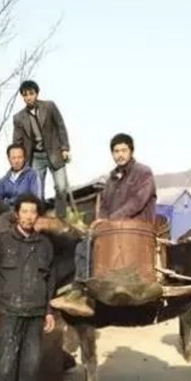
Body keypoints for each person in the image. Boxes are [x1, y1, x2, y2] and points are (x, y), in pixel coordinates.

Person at [50, 133, 157, 317]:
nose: (120, 155)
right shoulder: (112, 178)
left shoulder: (143, 173)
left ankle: (81, 290)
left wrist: (112, 219)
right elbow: (105, 205)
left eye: (123, 150)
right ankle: (80, 289)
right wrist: (101, 220)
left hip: (136, 229)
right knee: (84, 242)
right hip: (113, 230)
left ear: (131, 151)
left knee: (91, 242)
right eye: (116, 151)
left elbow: (138, 202)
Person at [0, 193, 56, 381]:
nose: (29, 216)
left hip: (35, 312)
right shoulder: (1, 241)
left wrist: (49, 310)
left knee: (30, 364)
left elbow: (50, 281)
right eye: (24, 211)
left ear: (37, 215)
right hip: (9, 311)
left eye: (33, 212)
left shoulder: (45, 245)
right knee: (6, 362)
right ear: (16, 214)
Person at [13, 80, 71, 218]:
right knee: (37, 193)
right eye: (25, 95)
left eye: (31, 94)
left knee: (61, 187)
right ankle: (41, 219)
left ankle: (61, 217)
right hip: (35, 158)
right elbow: (17, 142)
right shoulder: (19, 118)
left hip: (54, 153)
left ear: (36, 94)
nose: (28, 97)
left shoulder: (49, 106)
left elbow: (61, 126)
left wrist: (65, 148)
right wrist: (19, 162)